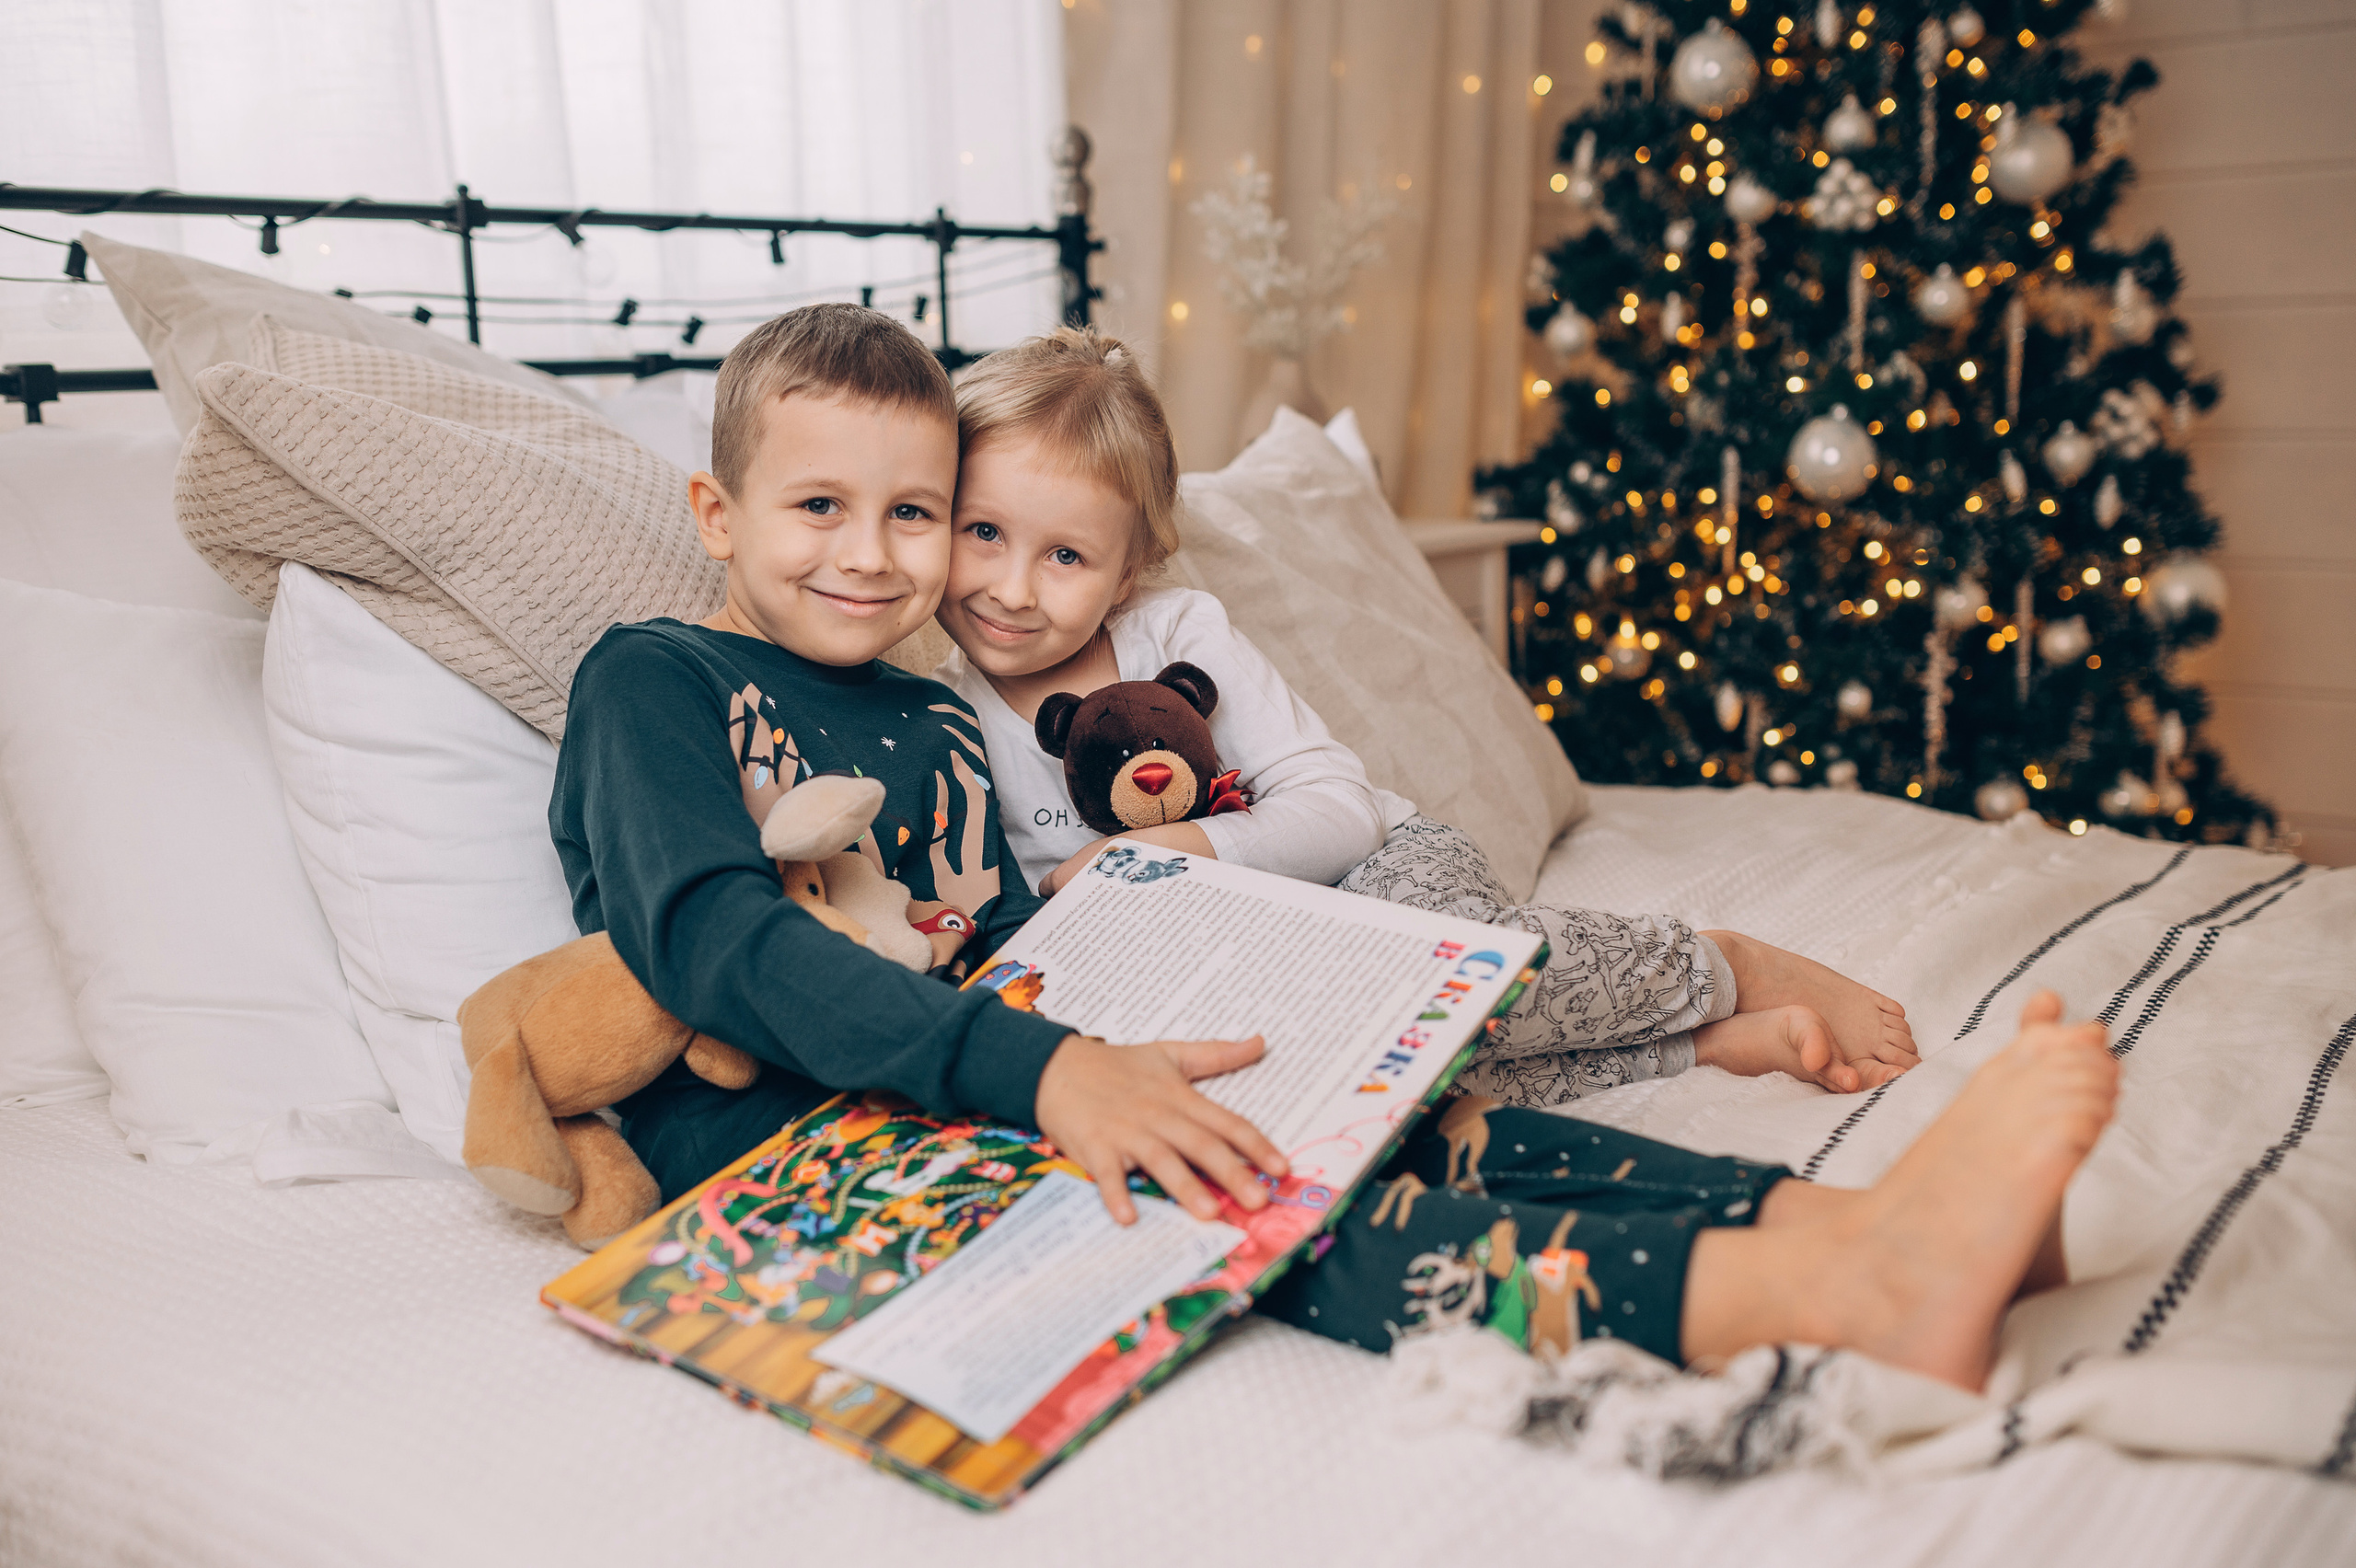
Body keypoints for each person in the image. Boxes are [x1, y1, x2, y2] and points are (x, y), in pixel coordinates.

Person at [932, 325, 1921, 1107]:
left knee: (1446, 964)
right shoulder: (939, 713)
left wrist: (1177, 852)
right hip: (1266, 954)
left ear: (1127, 569)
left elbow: (1338, 806)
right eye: (982, 532)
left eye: (1064, 555)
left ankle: (1716, 967)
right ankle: (1694, 1048)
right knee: (1353, 1074)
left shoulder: (1174, 634)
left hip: (1385, 869)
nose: (1012, 587)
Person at [549, 303, 1290, 1224]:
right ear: (719, 516)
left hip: (998, 1091)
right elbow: (711, 941)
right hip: (776, 1134)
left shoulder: (939, 712)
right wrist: (1048, 1068)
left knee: (1277, 1144)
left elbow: (1014, 940)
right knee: (1208, 1213)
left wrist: (1119, 1047)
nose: (866, 556)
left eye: (910, 514)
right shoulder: (652, 676)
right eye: (820, 505)